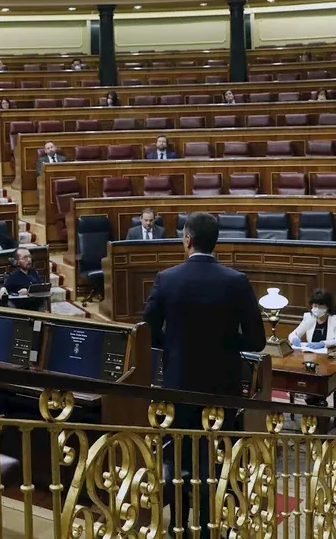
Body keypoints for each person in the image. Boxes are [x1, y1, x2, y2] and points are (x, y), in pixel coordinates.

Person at [141, 211, 265, 538]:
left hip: (178, 386)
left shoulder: (167, 278)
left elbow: (146, 331)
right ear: (216, 242)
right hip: (221, 389)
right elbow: (257, 340)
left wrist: (174, 345)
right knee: (216, 462)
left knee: (180, 460)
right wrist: (224, 341)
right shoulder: (236, 281)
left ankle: (179, 527)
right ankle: (212, 528)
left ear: (187, 240)